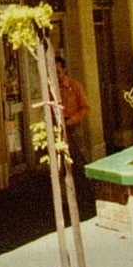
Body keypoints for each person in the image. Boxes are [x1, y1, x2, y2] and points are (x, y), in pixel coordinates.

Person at [54, 54, 94, 213]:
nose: (56, 75)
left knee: (78, 161)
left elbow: (86, 107)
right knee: (61, 163)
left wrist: (73, 120)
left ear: (64, 70)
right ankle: (65, 199)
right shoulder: (52, 88)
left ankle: (87, 194)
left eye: (58, 71)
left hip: (72, 126)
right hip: (58, 127)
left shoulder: (74, 86)